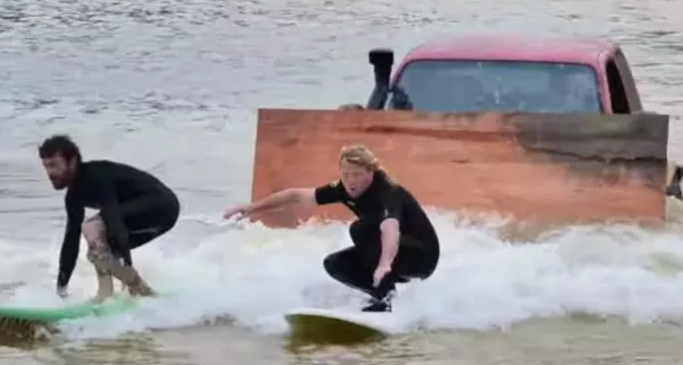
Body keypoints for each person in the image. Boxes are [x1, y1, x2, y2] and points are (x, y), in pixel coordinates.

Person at [222, 144, 439, 312]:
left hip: (420, 257)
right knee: (336, 264)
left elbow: (390, 230)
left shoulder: (388, 192)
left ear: (370, 171)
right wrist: (252, 208)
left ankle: (384, 298)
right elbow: (295, 195)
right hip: (394, 255)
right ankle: (382, 296)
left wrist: (384, 265)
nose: (350, 181)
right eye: (345, 174)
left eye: (356, 174)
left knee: (359, 229)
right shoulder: (344, 188)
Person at [38, 134, 180, 303]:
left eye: (54, 165)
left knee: (93, 228)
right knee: (98, 250)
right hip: (151, 217)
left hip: (162, 204)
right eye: (46, 166)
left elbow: (113, 216)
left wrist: (127, 262)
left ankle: (110, 292)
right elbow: (71, 242)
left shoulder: (95, 176)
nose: (50, 173)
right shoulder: (73, 197)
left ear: (72, 161)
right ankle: (142, 293)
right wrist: (61, 290)